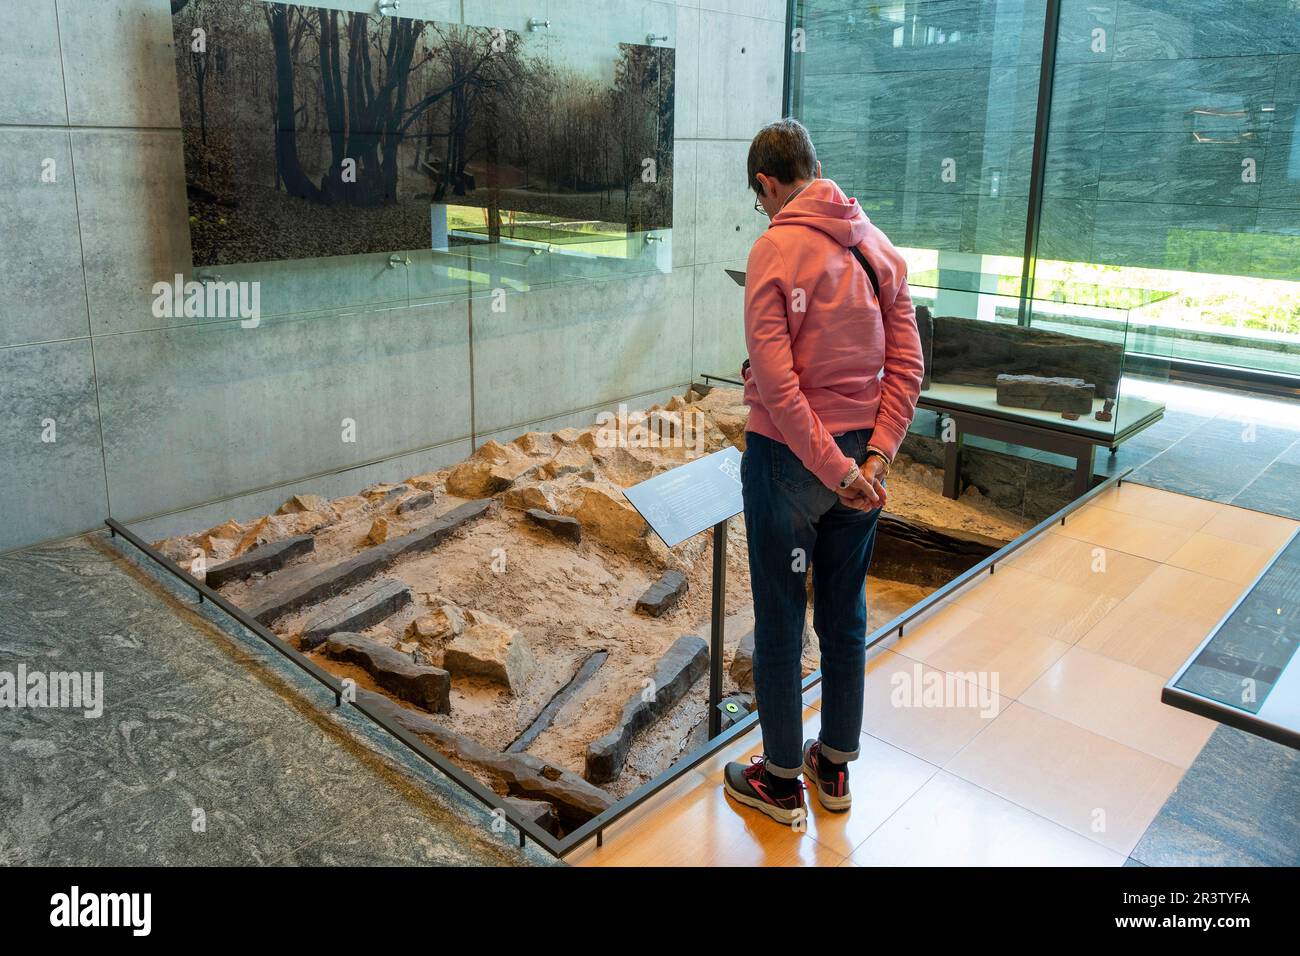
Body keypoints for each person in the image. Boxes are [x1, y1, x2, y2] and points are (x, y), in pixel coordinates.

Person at [723, 119, 924, 824]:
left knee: (781, 621)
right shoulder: (878, 246)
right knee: (844, 618)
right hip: (861, 467)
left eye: (760, 198)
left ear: (766, 184)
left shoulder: (773, 250)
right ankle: (833, 769)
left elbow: (778, 389)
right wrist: (872, 459)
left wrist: (834, 468)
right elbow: (908, 367)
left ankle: (781, 782)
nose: (764, 209)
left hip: (790, 463)